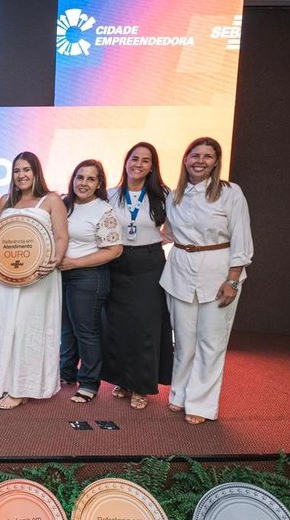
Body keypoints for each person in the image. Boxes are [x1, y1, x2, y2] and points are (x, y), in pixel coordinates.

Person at [160, 137, 252, 425]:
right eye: (194, 155)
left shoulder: (230, 193)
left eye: (207, 156)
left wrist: (233, 280)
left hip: (218, 270)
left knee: (211, 341)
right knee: (184, 341)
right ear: (185, 159)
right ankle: (179, 395)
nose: (200, 160)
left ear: (216, 161)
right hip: (179, 271)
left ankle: (201, 403)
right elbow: (168, 232)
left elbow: (241, 237)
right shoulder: (173, 195)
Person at [0, 152, 69, 409]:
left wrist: (53, 261)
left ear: (36, 172)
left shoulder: (51, 200)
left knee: (29, 329)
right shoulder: (6, 202)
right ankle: (6, 382)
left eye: (26, 170)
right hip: (7, 279)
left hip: (39, 278)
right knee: (6, 326)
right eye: (17, 170)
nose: (21, 175)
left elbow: (61, 237)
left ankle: (24, 387)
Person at [102, 142, 173, 410]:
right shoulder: (110, 195)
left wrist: (160, 240)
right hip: (117, 262)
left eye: (145, 160)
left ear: (152, 166)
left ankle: (142, 386)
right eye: (134, 158)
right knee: (118, 325)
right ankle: (122, 380)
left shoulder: (163, 195)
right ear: (126, 161)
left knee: (146, 326)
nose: (138, 164)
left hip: (149, 263)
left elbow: (176, 227)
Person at [59, 159, 122, 404]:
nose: (83, 183)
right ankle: (66, 374)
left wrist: (75, 263)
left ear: (99, 184)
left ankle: (88, 382)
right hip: (61, 275)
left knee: (86, 331)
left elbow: (114, 250)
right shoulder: (64, 204)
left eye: (90, 179)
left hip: (88, 277)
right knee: (66, 329)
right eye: (79, 177)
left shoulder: (103, 210)